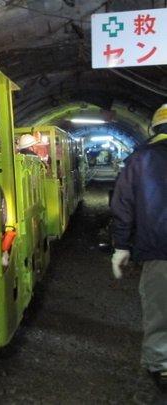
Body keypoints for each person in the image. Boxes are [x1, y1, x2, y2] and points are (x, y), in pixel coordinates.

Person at [110, 103, 167, 393]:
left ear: (153, 129)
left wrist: (121, 245)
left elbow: (123, 205)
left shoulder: (141, 159)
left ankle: (162, 367)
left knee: (159, 310)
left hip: (159, 249)